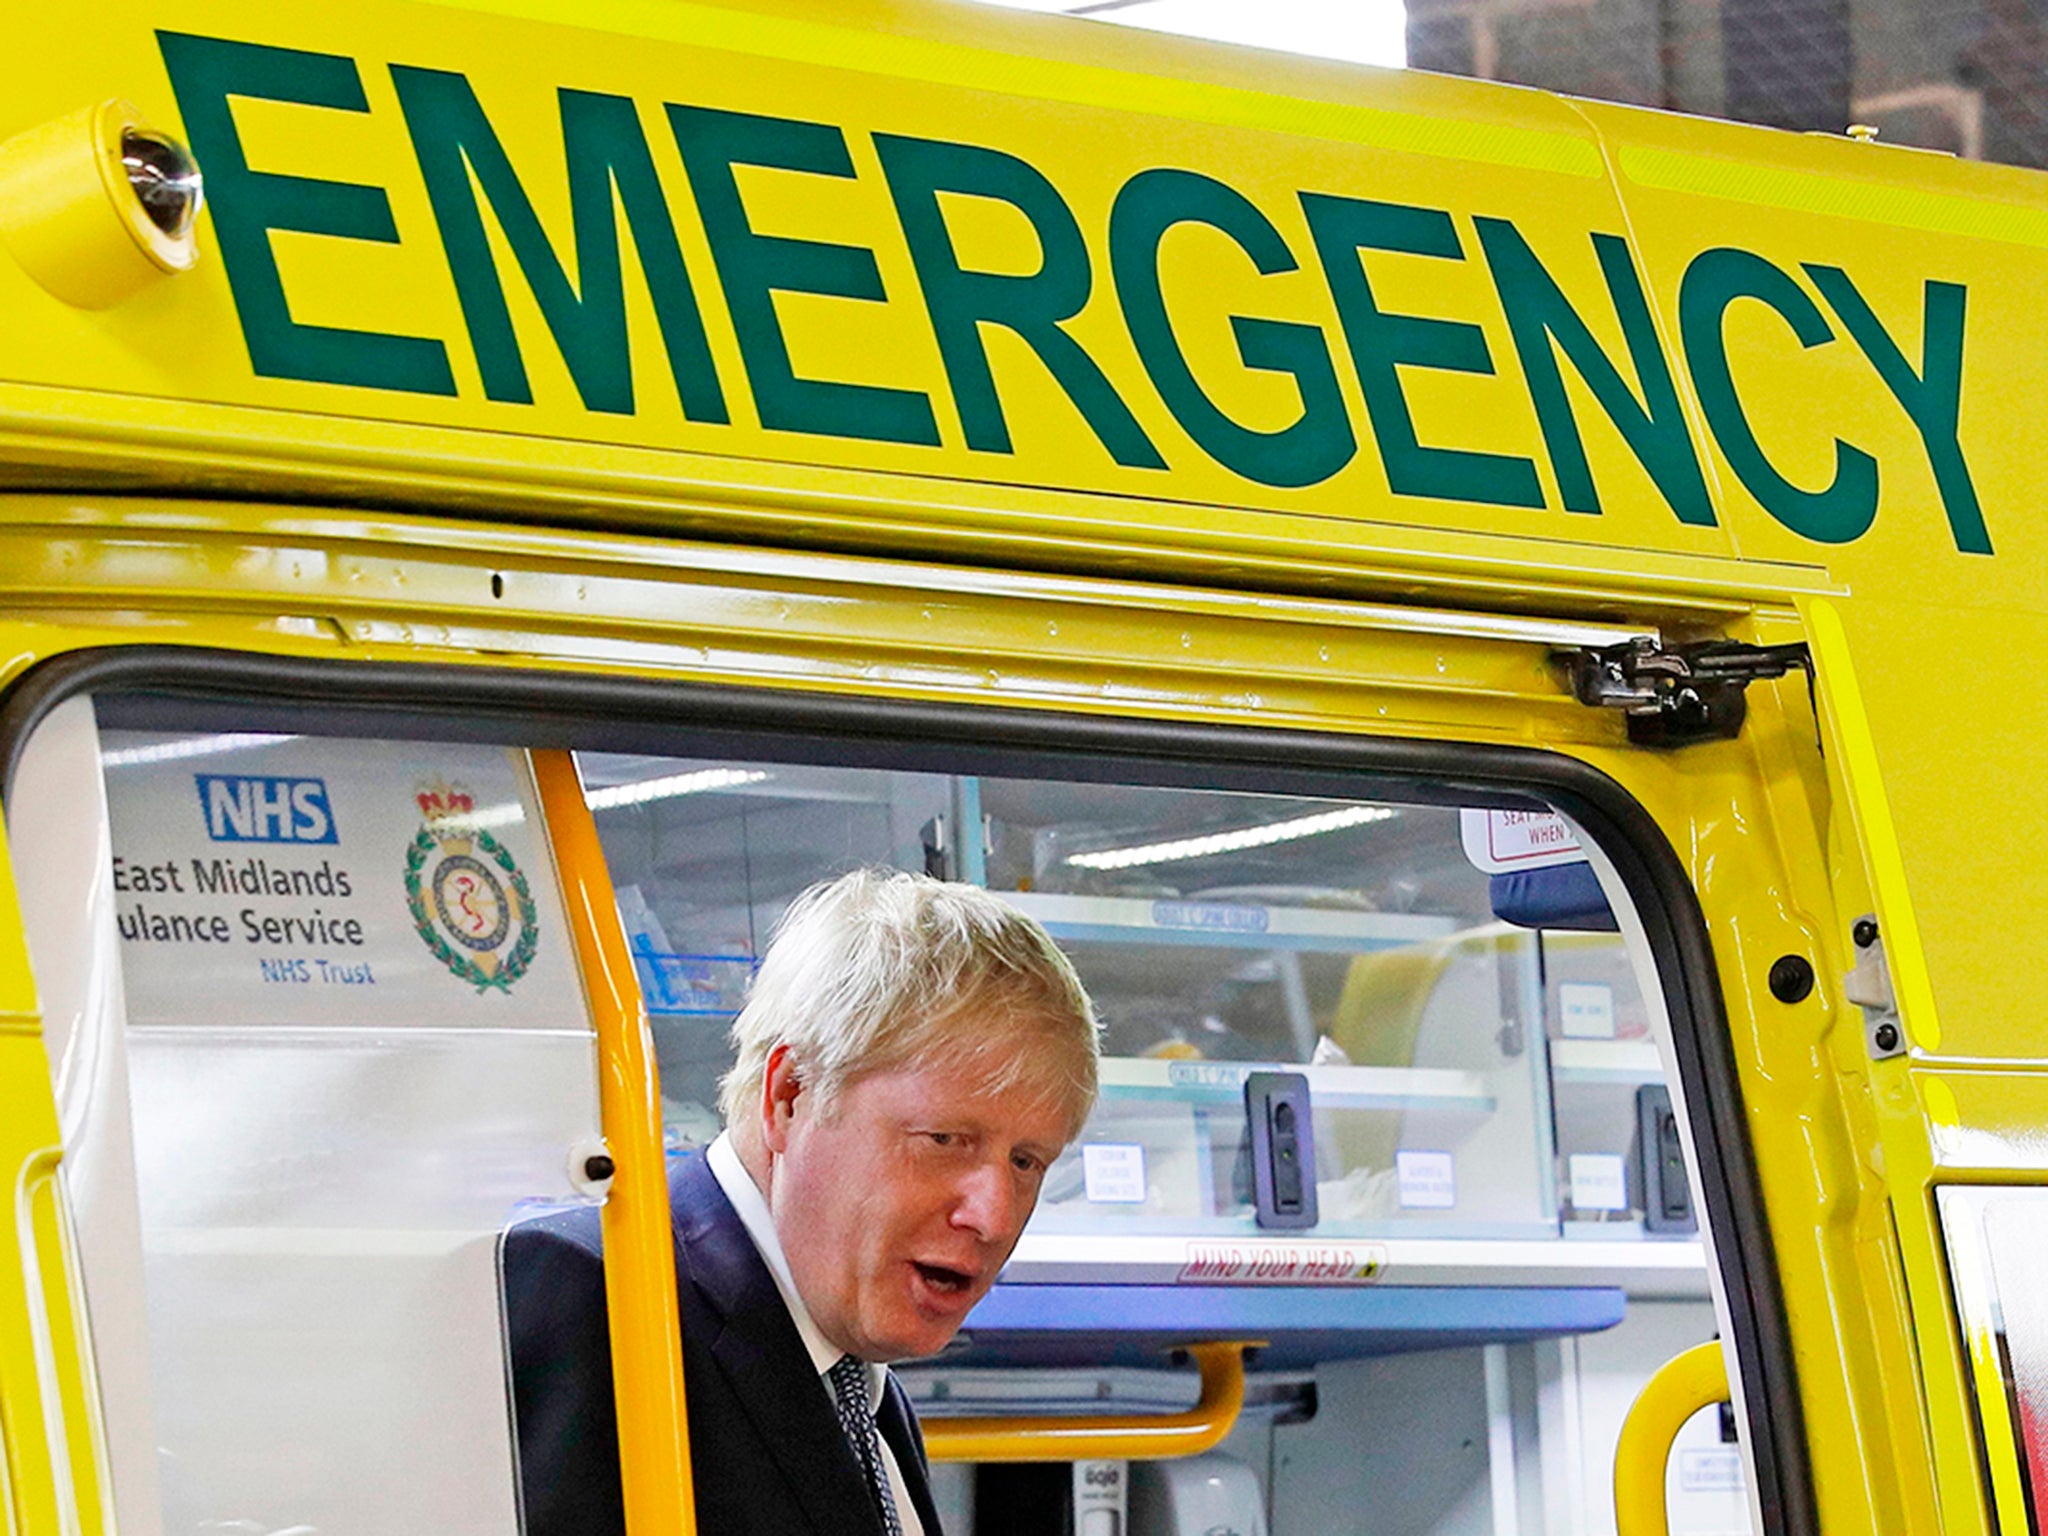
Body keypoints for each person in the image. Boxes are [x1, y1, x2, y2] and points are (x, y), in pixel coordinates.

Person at [503, 868, 1101, 1536]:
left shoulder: (864, 1386)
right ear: (790, 1095)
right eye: (945, 1140)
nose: (992, 1215)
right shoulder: (598, 1296)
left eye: (1026, 1162)